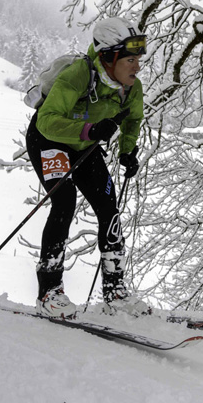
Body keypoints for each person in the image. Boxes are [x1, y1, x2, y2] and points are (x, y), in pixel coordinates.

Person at [25, 17, 145, 318]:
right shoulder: (79, 75)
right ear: (109, 57)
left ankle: (115, 292)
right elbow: (47, 120)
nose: (137, 66)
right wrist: (90, 130)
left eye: (138, 58)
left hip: (84, 145)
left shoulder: (131, 87)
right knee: (64, 202)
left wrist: (127, 151)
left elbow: (133, 118)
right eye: (130, 59)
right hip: (49, 140)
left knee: (109, 207)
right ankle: (49, 292)